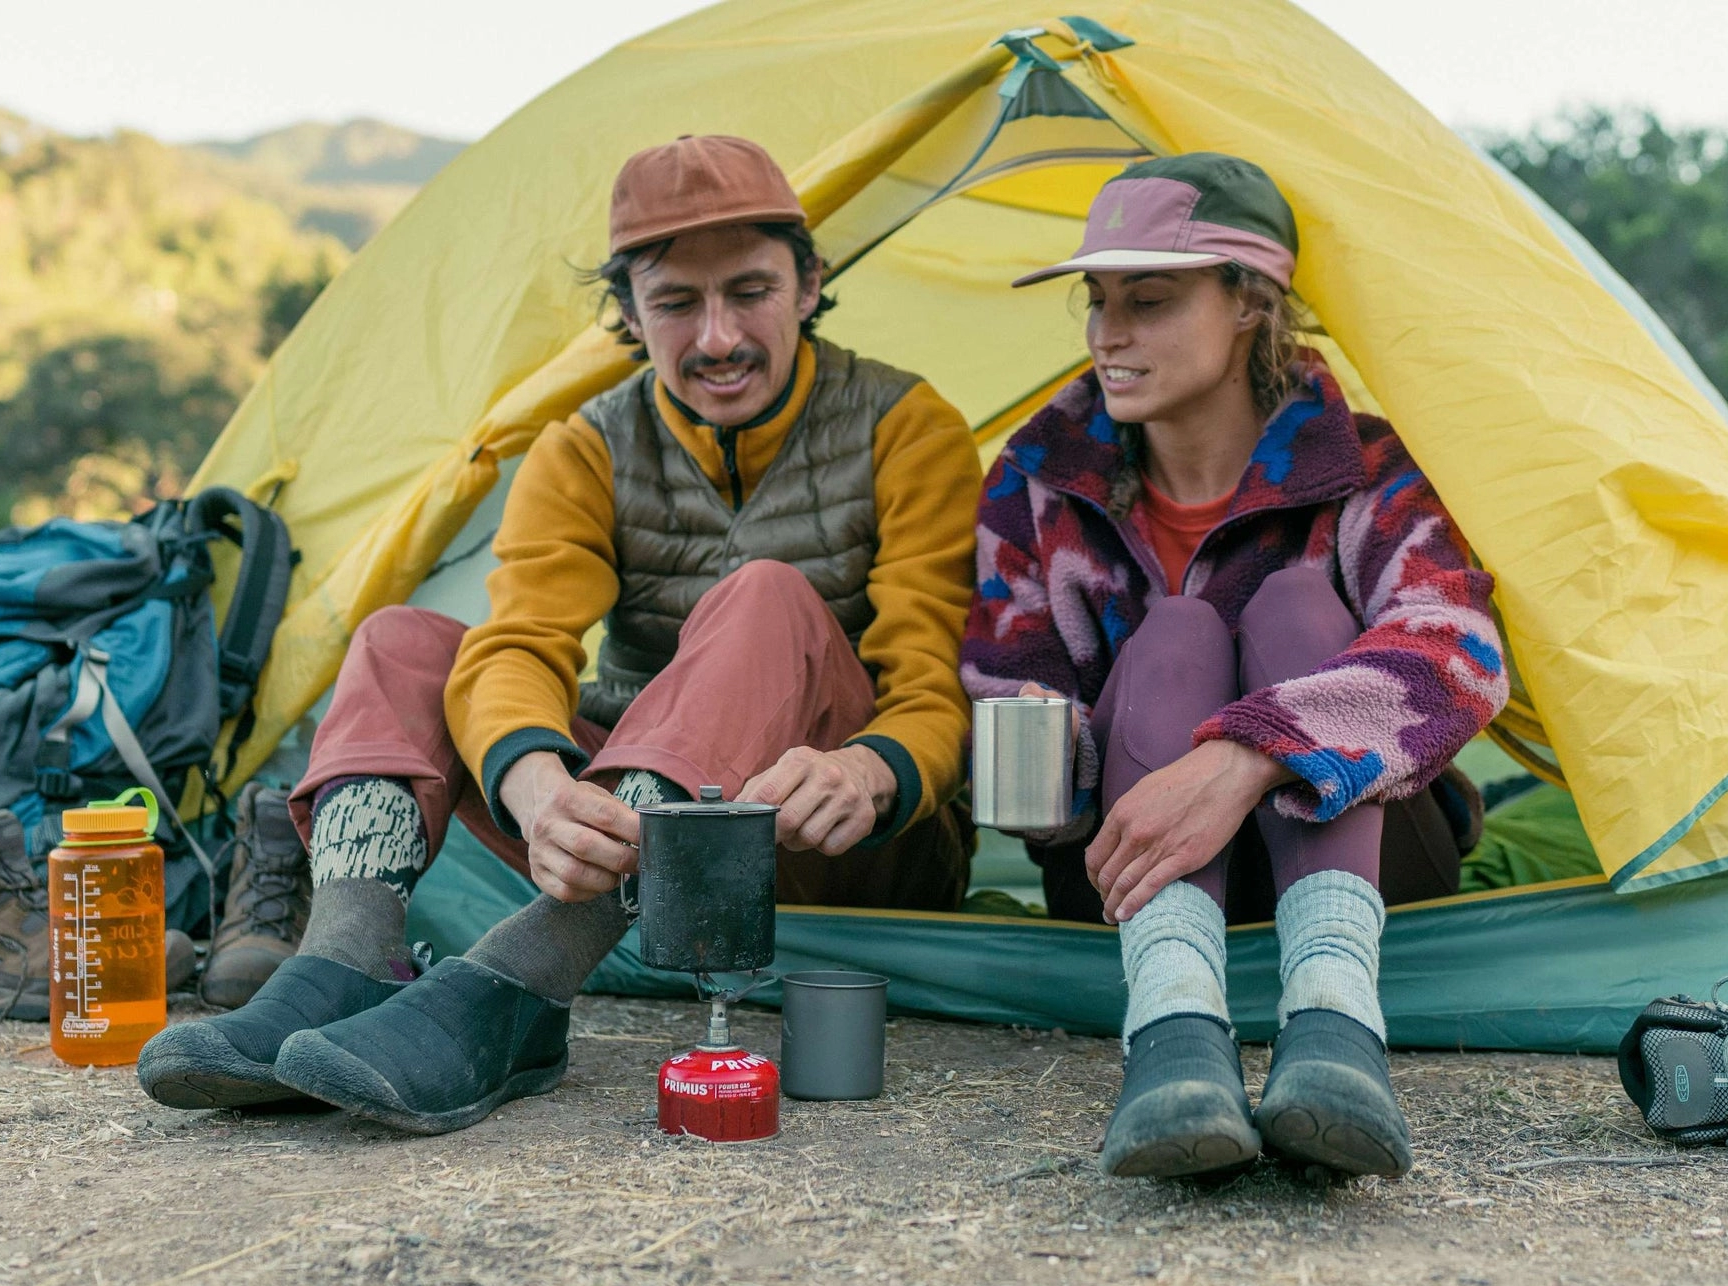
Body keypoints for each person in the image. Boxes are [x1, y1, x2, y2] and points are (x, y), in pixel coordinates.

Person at [137, 135, 982, 1133]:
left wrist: (871, 773)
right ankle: (344, 964)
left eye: (748, 291)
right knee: (402, 638)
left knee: (766, 597)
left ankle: (522, 985)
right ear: (627, 314)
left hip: (837, 832)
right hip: (632, 826)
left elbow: (935, 685)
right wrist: (537, 786)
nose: (717, 338)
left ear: (808, 284)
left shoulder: (905, 424)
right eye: (674, 304)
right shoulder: (586, 445)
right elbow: (519, 643)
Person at [961, 155, 1507, 1180]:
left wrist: (1249, 756)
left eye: (1150, 299)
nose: (1106, 335)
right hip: (1126, 869)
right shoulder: (1038, 480)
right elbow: (1006, 704)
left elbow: (1458, 652)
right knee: (1173, 635)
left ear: (1249, 302)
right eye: (1095, 300)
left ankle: (1336, 1031)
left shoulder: (1363, 469)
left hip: (1370, 857)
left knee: (1299, 603)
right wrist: (1055, 758)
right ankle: (1172, 1043)